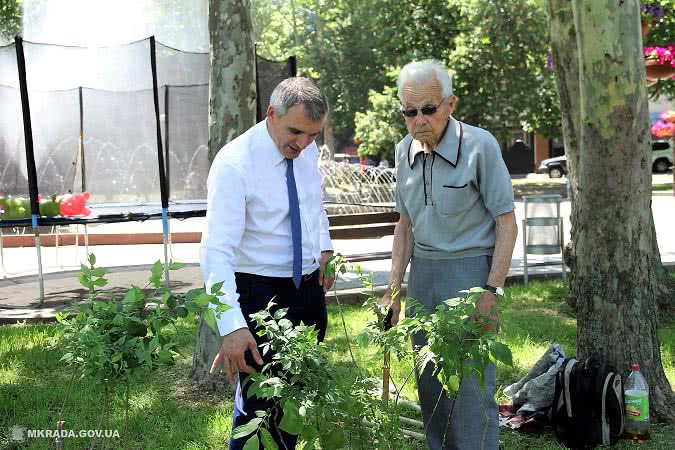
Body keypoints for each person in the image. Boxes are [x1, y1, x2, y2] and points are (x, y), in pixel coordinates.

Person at [382, 60, 518, 450]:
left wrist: (492, 291)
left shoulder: (480, 145)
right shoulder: (403, 151)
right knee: (430, 384)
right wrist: (393, 290)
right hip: (423, 277)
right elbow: (404, 226)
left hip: (471, 276)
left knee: (471, 388)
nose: (419, 120)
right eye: (410, 111)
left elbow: (506, 222)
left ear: (449, 103)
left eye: (429, 109)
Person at [201, 77, 335, 450]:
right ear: (270, 113)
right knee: (259, 410)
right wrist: (230, 327)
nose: (303, 143)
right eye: (296, 132)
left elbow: (313, 204)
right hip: (260, 297)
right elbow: (216, 251)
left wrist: (324, 248)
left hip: (308, 292)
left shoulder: (305, 151)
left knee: (293, 404)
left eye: (312, 136)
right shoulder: (235, 163)